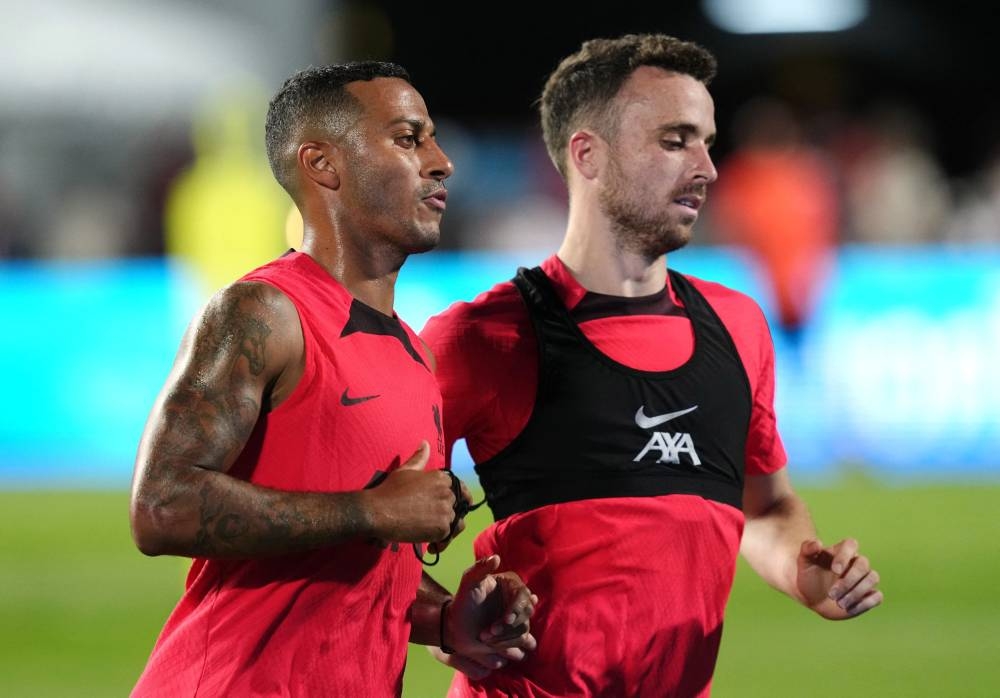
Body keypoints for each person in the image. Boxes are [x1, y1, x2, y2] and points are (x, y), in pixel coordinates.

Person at [421, 35, 883, 697]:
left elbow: (765, 508)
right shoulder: (483, 337)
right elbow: (365, 529)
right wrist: (445, 621)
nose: (708, 168)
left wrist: (807, 574)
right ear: (588, 154)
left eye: (707, 141)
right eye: (675, 141)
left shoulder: (737, 325)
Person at [129, 62, 535, 698]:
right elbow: (161, 507)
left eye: (431, 137)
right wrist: (371, 509)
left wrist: (448, 620)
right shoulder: (262, 312)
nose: (441, 161)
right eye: (408, 138)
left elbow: (359, 568)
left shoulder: (414, 356)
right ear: (322, 164)